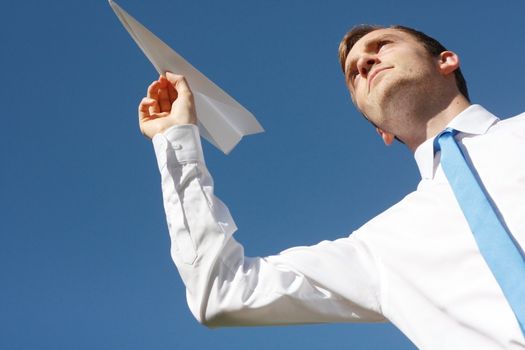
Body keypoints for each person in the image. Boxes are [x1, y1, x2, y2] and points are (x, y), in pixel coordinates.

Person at [137, 25, 525, 349]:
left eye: (382, 46)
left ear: (446, 60)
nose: (365, 62)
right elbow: (224, 292)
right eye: (355, 73)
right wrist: (176, 138)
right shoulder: (380, 248)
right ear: (381, 131)